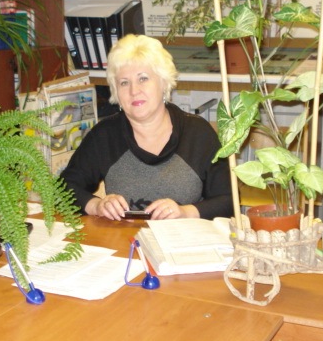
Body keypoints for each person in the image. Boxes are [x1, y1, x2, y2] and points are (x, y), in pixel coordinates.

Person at [61, 34, 233, 221]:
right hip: (123, 238)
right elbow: (64, 188)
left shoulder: (197, 133)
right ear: (116, 91)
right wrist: (97, 205)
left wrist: (185, 212)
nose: (134, 91)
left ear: (163, 82)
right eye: (124, 83)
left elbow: (228, 200)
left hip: (181, 237)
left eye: (143, 79)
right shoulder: (104, 135)